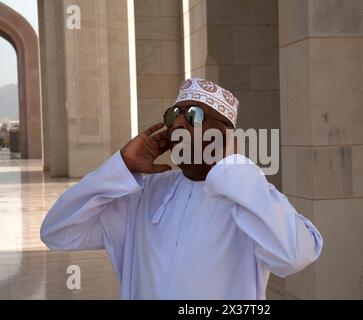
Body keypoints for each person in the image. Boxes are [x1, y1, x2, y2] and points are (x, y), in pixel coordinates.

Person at [40, 78, 323, 299]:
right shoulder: (142, 194)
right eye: (173, 114)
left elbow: (294, 256)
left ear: (222, 135)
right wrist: (121, 167)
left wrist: (234, 169)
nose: (176, 122)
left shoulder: (252, 197)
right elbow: (58, 232)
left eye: (193, 116)